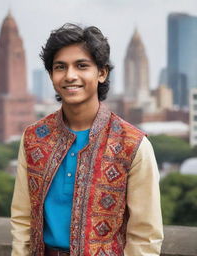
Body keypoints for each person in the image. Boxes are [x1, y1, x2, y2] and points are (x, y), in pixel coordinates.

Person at [11, 23, 164, 256]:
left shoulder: (133, 144)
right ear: (52, 75)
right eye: (60, 67)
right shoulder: (33, 138)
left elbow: (145, 236)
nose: (70, 75)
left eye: (81, 66)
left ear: (102, 73)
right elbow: (23, 219)